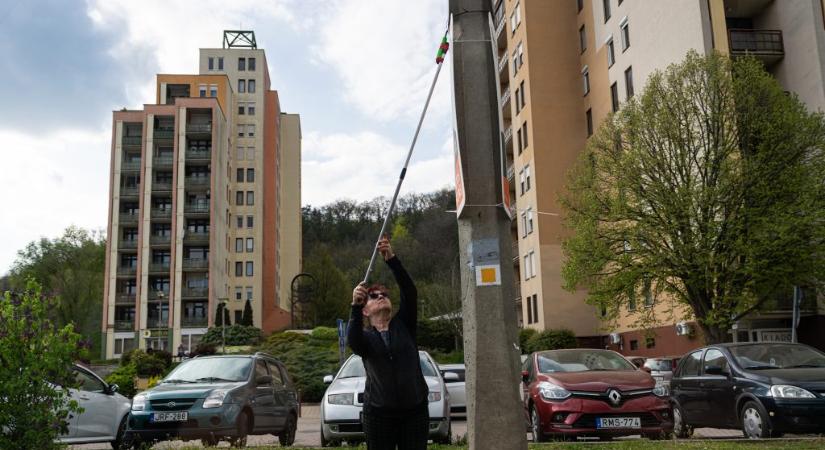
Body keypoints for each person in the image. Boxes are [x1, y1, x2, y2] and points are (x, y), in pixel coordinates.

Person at [348, 236, 429, 450]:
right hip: (378, 414)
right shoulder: (365, 337)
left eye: (385, 294)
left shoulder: (404, 324)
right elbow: (353, 341)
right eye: (374, 296)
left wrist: (391, 259)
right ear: (366, 310)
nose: (381, 296)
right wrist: (354, 307)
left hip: (414, 411)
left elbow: (410, 292)